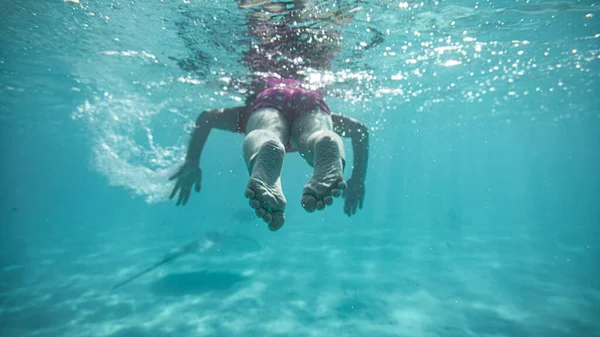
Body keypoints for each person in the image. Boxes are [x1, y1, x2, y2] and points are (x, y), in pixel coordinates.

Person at [169, 0, 369, 231]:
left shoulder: (250, 106)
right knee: (317, 132)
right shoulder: (311, 82)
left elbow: (206, 117)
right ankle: (325, 141)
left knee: (264, 130)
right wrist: (358, 178)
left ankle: (267, 144)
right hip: (310, 97)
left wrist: (192, 161)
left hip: (269, 98)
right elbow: (359, 130)